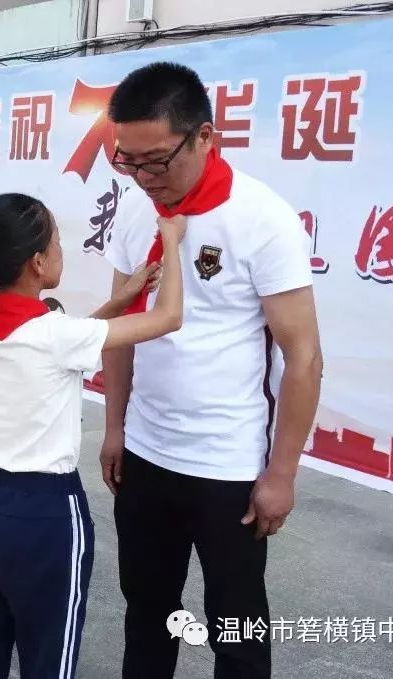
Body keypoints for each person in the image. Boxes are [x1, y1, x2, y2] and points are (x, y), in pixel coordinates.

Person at [101, 62, 323, 679]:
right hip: (146, 453)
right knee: (147, 609)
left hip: (227, 464)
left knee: (238, 627)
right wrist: (115, 427)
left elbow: (302, 357)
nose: (144, 178)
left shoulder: (261, 218)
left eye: (157, 161)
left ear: (203, 137)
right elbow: (119, 329)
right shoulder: (134, 209)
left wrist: (281, 474)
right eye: (128, 161)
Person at [0, 193, 184, 679]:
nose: (61, 250)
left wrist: (122, 294)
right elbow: (168, 318)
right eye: (57, 242)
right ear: (37, 262)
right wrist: (172, 243)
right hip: (44, 513)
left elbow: (70, 336)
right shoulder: (54, 335)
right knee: (50, 652)